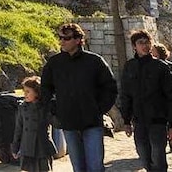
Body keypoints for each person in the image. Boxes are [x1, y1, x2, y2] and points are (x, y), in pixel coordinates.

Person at [40, 22, 117, 172]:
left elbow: (110, 88)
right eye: (60, 38)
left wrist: (98, 109)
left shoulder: (94, 61)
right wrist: (53, 109)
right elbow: (45, 89)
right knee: (78, 168)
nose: (62, 41)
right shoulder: (54, 63)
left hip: (92, 123)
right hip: (68, 122)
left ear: (78, 40)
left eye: (66, 38)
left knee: (95, 167)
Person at [118, 30, 172, 172]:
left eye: (147, 42)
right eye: (141, 43)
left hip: (158, 120)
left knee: (158, 158)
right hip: (139, 121)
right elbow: (126, 95)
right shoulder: (130, 67)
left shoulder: (161, 67)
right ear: (134, 46)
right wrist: (126, 120)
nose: (145, 46)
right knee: (144, 156)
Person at [12, 76, 57, 172]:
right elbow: (18, 128)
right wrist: (15, 147)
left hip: (42, 147)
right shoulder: (22, 108)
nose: (25, 94)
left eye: (28, 91)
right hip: (27, 147)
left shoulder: (45, 107)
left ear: (37, 92)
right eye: (24, 91)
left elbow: (55, 122)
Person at [151, 42, 172, 152]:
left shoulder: (169, 65)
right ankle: (165, 142)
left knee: (171, 119)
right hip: (157, 100)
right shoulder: (150, 66)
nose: (151, 52)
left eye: (153, 50)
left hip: (168, 98)